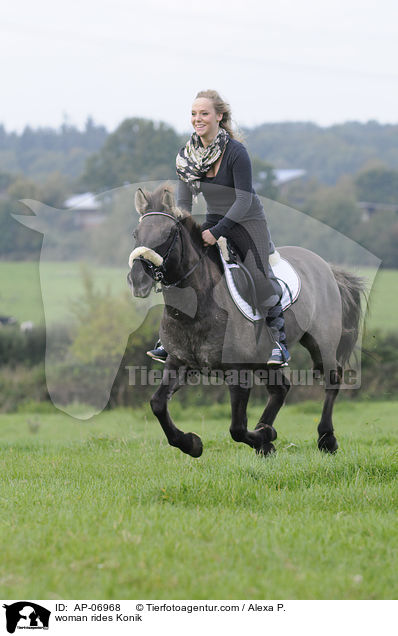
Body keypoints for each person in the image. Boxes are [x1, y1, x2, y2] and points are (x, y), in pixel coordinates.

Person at [147, 89, 290, 367]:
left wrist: (217, 232)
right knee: (185, 268)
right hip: (215, 218)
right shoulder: (187, 155)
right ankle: (169, 340)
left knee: (258, 276)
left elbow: (244, 199)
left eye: (204, 113)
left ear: (219, 116)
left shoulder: (236, 153)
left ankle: (279, 343)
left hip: (248, 221)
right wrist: (185, 230)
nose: (197, 119)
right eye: (193, 114)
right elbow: (184, 202)